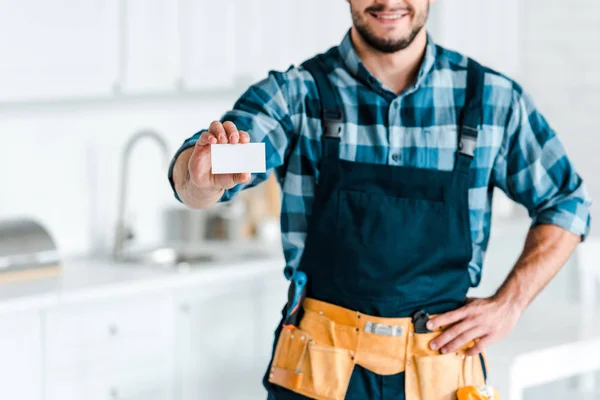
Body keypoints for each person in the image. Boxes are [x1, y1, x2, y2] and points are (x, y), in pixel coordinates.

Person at [168, 0, 592, 399]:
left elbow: (568, 201)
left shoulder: (493, 101)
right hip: (318, 374)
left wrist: (509, 304)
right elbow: (198, 177)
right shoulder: (296, 95)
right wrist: (203, 176)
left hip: (439, 376)